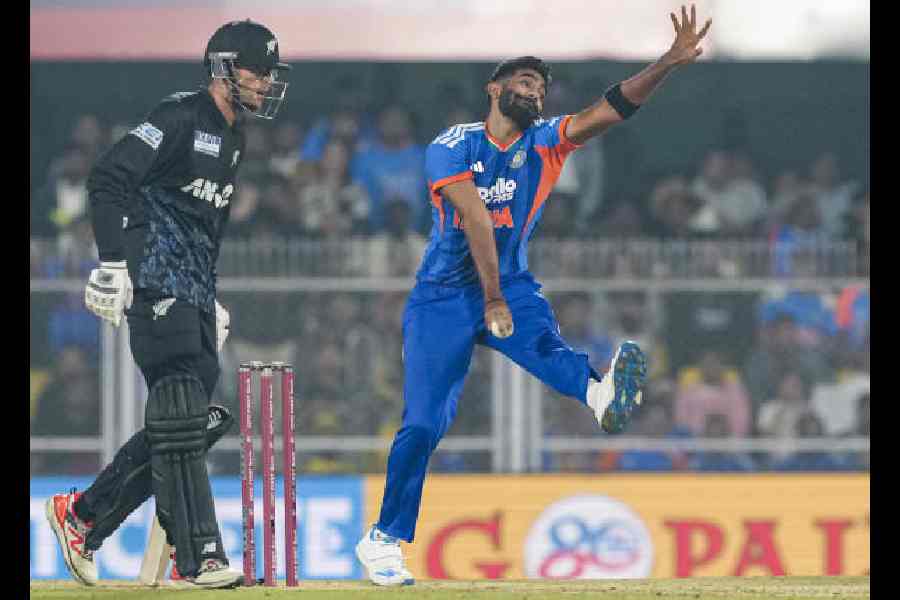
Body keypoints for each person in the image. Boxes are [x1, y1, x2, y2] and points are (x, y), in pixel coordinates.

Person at [355, 4, 711, 586]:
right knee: (422, 424)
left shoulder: (548, 142)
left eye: (542, 88)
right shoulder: (453, 144)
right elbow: (473, 220)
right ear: (494, 88)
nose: (536, 92)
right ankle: (384, 540)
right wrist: (490, 298)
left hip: (510, 284)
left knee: (546, 349)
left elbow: (612, 108)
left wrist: (667, 63)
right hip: (445, 295)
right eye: (524, 81)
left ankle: (598, 396)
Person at [44, 19, 291, 588]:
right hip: (154, 284)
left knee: (187, 424)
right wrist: (112, 263)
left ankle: (81, 516)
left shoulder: (234, 137)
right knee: (181, 416)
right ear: (224, 67)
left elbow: (205, 225)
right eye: (259, 70)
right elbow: (108, 177)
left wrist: (212, 292)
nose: (267, 82)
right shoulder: (178, 116)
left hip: (196, 292)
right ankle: (199, 554)